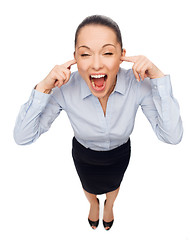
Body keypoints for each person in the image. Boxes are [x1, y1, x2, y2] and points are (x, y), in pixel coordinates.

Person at [13, 15, 183, 230]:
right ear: (75, 57)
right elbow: (22, 137)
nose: (95, 64)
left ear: (122, 55)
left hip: (120, 153)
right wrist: (43, 88)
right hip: (85, 154)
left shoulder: (138, 83)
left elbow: (172, 136)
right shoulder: (63, 88)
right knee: (88, 185)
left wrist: (158, 78)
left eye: (108, 53)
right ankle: (93, 204)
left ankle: (110, 205)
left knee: (115, 183)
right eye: (85, 54)